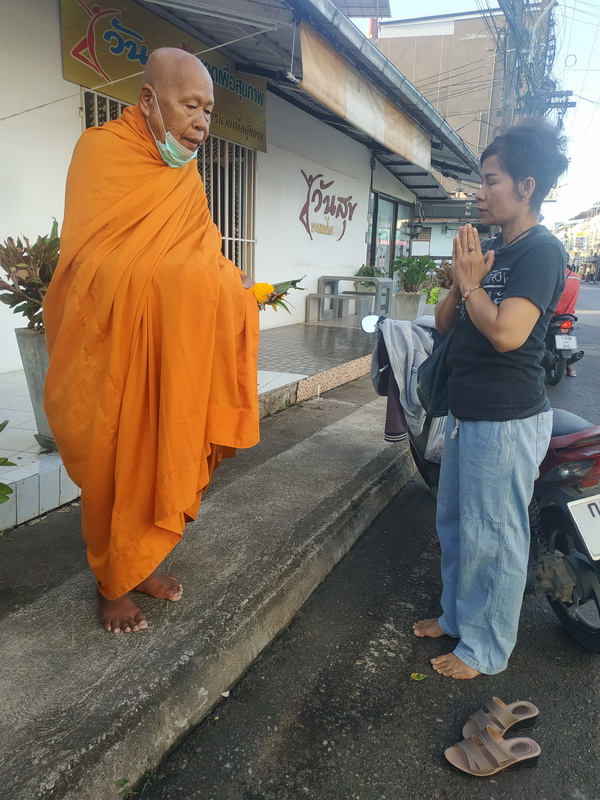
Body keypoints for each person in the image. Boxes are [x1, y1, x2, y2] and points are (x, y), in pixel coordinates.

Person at [43, 48, 260, 633]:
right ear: (148, 100)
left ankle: (140, 564)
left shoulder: (184, 176)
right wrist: (190, 279)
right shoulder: (100, 152)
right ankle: (111, 583)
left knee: (162, 446)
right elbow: (91, 265)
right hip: (110, 347)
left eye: (208, 111)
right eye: (190, 106)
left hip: (165, 352)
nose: (202, 123)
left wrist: (225, 283)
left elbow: (202, 253)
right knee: (118, 461)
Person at [412, 117, 569, 678]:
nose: (479, 193)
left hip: (505, 420)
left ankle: (486, 649)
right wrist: (462, 280)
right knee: (457, 527)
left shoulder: (542, 252)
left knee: (495, 538)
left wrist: (474, 284)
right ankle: (457, 618)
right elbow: (444, 322)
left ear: (526, 187)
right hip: (466, 412)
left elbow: (506, 333)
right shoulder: (494, 250)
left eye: (491, 181)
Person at [553, 263, 582, 376]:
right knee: (566, 338)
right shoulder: (576, 277)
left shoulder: (553, 274)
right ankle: (570, 368)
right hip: (568, 316)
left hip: (551, 315)